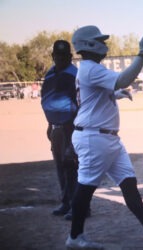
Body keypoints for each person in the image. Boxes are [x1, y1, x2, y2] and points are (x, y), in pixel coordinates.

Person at [66, 25, 143, 249]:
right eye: (100, 40)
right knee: (85, 187)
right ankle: (75, 237)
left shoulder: (90, 68)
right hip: (94, 139)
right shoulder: (90, 68)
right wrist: (142, 53)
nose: (104, 44)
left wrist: (116, 94)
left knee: (128, 182)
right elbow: (124, 79)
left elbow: (93, 96)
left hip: (106, 139)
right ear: (88, 44)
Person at [40, 40, 80, 220]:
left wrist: (77, 129)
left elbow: (81, 103)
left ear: (70, 57)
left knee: (71, 164)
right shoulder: (50, 74)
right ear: (53, 56)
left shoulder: (75, 75)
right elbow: (48, 99)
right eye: (57, 55)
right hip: (56, 127)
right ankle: (65, 202)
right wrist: (49, 124)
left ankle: (78, 206)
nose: (60, 58)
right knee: (59, 165)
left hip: (71, 126)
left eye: (64, 56)